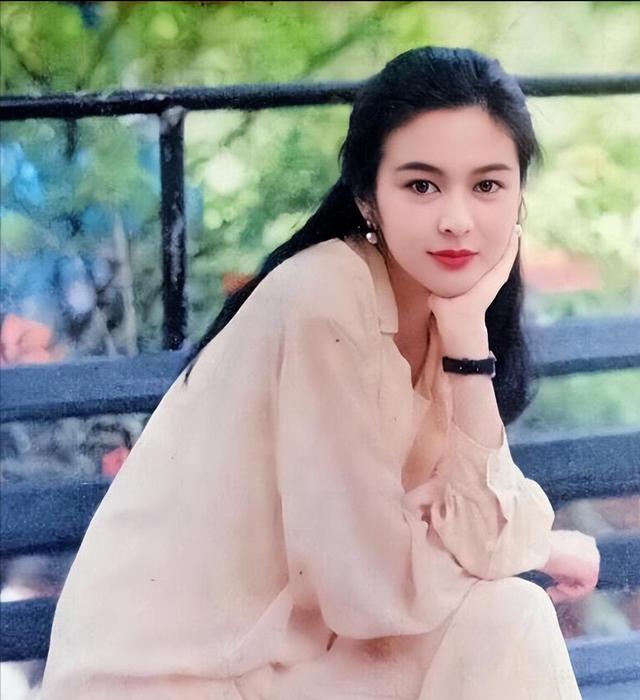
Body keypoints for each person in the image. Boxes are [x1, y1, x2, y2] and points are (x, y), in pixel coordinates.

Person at [39, 46, 600, 699]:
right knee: (506, 614)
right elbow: (368, 588)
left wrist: (468, 342)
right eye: (422, 185)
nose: (457, 220)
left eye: (487, 186)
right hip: (181, 680)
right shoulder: (324, 297)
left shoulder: (448, 315)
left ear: (518, 197)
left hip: (299, 665)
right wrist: (537, 549)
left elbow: (469, 537)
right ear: (367, 197)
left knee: (509, 616)